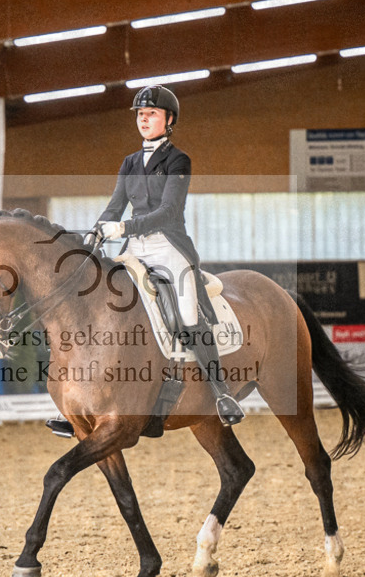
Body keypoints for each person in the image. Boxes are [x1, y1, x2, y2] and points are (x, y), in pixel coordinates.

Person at [46, 85, 244, 438]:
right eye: (140, 114)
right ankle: (79, 404)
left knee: (186, 314)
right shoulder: (130, 163)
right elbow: (114, 204)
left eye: (151, 114)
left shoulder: (178, 160)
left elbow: (169, 211)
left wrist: (123, 226)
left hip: (168, 246)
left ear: (168, 121)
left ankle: (221, 394)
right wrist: (96, 231)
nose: (144, 119)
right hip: (134, 248)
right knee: (97, 303)